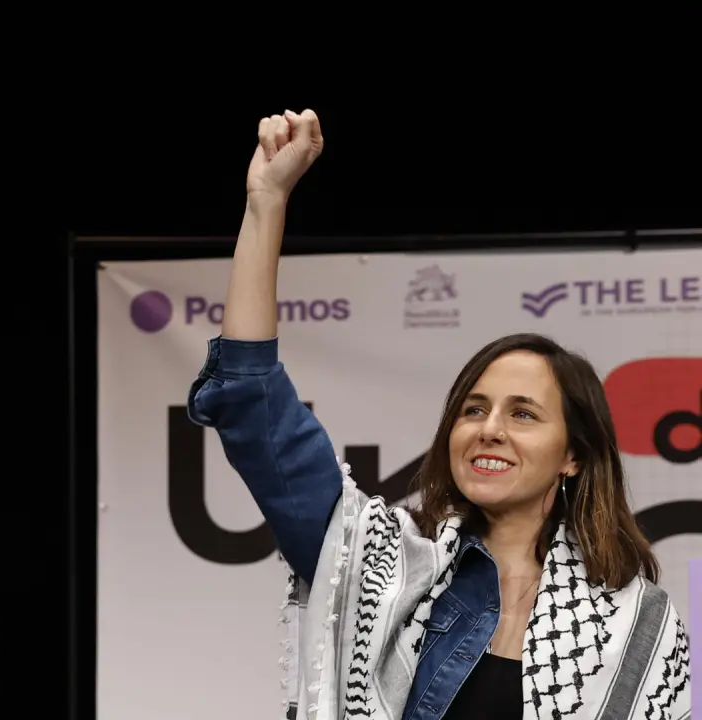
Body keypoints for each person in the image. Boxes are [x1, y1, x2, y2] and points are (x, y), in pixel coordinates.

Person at [188, 110, 690, 720]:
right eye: (473, 409)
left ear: (573, 455)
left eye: (523, 414)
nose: (490, 429)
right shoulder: (380, 563)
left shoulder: (639, 623)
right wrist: (265, 203)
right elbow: (251, 401)